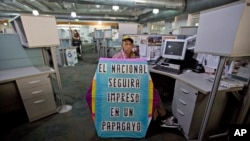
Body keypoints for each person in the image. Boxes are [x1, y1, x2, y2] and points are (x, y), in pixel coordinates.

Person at [112, 35, 179, 128]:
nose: (128, 46)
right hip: (123, 85)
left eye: (130, 44)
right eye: (125, 44)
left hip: (135, 82)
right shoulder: (116, 57)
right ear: (122, 45)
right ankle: (162, 116)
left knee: (154, 90)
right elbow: (113, 74)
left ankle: (161, 116)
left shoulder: (135, 56)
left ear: (132, 46)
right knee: (152, 92)